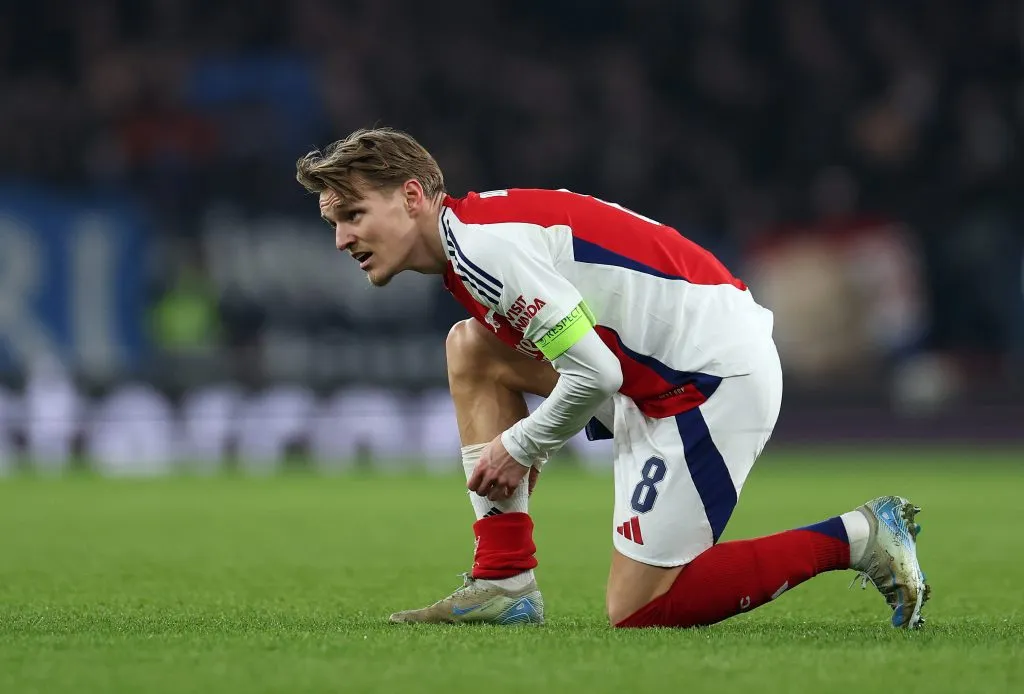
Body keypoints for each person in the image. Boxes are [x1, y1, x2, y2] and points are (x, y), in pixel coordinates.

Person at [295, 127, 930, 629]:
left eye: (353, 214)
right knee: (472, 349)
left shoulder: (485, 251)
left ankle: (859, 536)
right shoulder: (471, 239)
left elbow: (594, 373)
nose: (342, 239)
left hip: (707, 378)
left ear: (412, 197)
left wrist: (521, 445)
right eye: (334, 224)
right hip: (656, 370)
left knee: (639, 607)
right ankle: (503, 581)